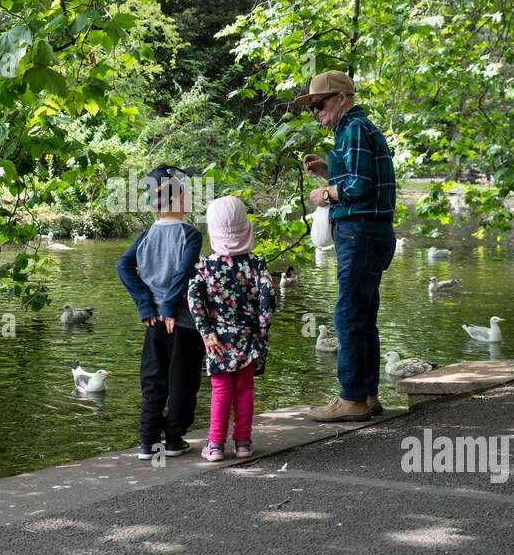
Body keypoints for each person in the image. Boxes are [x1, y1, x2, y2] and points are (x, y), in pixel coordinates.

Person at [295, 70, 397, 422]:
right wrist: (328, 172)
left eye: (319, 104)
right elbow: (360, 179)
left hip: (360, 233)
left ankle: (352, 398)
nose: (316, 112)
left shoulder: (352, 129)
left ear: (341, 98)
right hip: (373, 233)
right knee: (363, 316)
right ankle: (368, 395)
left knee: (348, 315)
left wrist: (323, 194)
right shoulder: (359, 129)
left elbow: (359, 187)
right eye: (311, 107)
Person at [117, 164, 204, 459]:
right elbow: (182, 272)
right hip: (185, 323)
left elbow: (124, 267)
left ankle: (147, 443)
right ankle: (174, 440)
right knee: (184, 381)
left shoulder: (146, 235)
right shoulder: (190, 235)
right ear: (178, 198)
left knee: (153, 380)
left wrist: (146, 304)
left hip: (153, 322)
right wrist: (169, 305)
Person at [186, 196, 276, 462]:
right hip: (249, 337)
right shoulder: (256, 264)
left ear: (213, 231)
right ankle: (243, 443)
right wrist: (262, 326)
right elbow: (268, 294)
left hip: (218, 340)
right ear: (247, 228)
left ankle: (215, 446)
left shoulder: (205, 265)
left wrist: (206, 332)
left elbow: (194, 299)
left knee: (222, 390)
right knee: (245, 390)